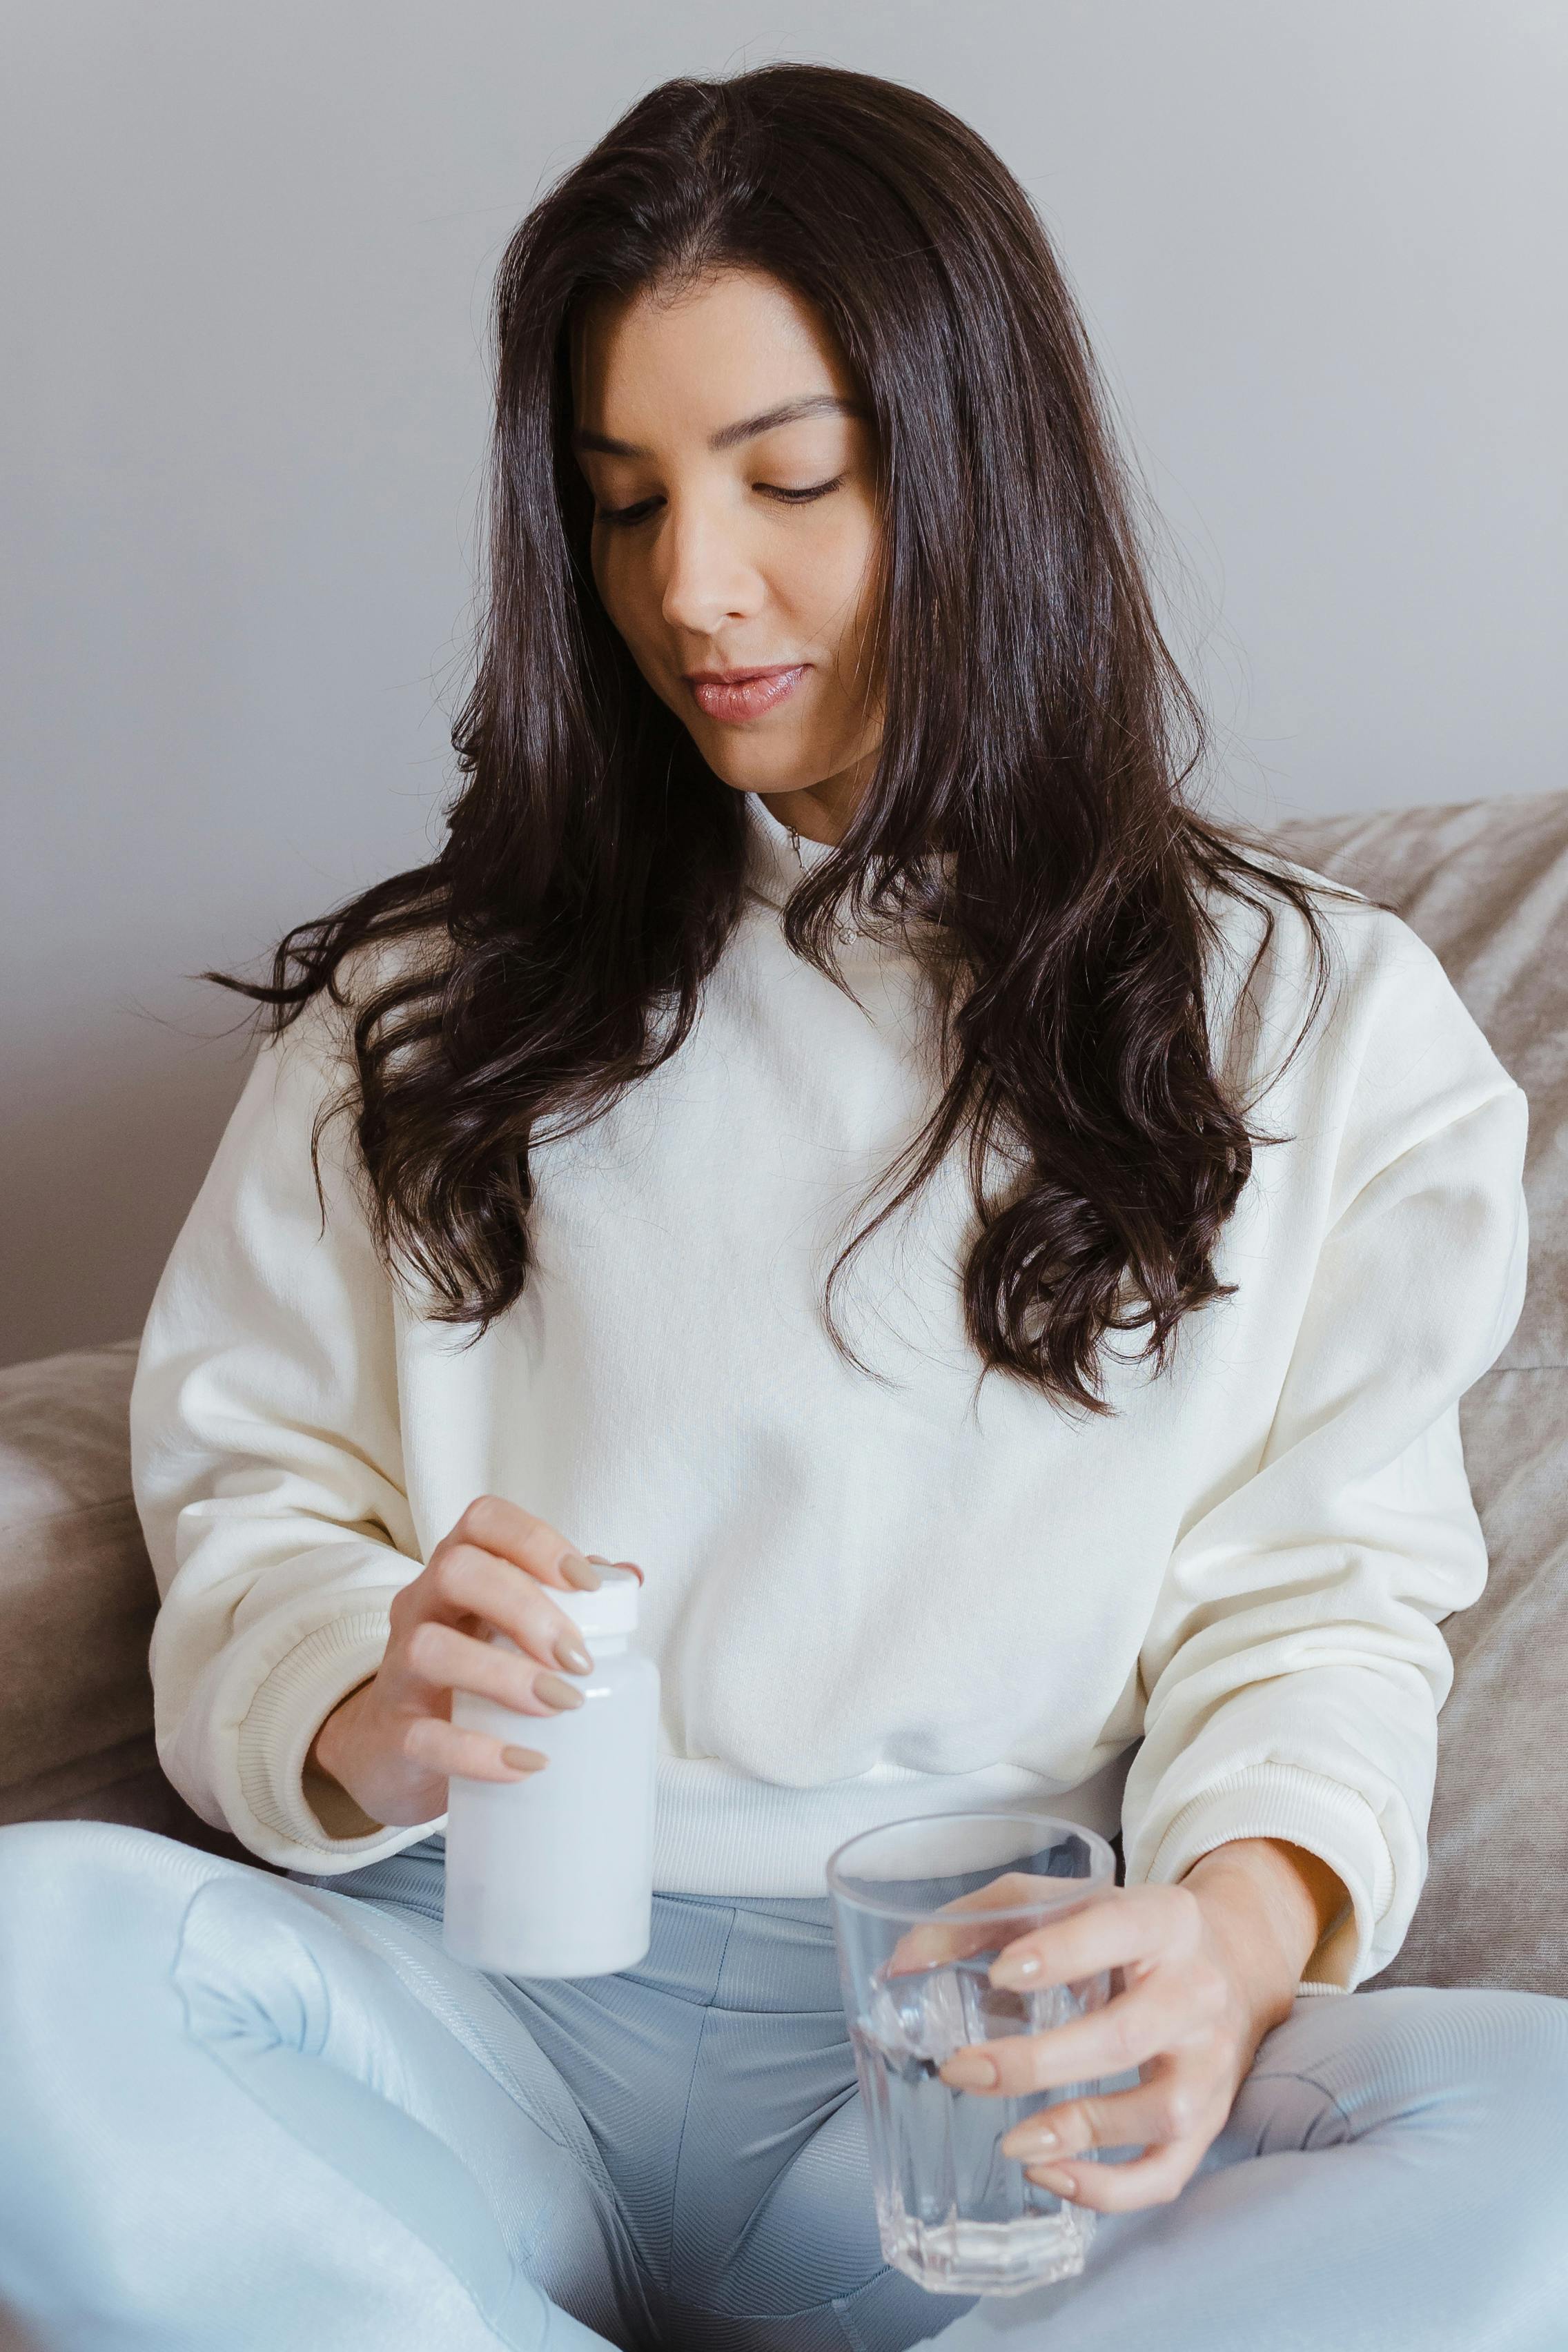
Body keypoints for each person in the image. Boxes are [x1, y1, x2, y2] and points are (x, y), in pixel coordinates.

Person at [1, 59, 1564, 2352]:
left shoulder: (1319, 1023)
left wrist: (1232, 1944)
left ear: (977, 462)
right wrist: (362, 1697)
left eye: (790, 481)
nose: (690, 592)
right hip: (478, 2006)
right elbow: (252, 1497)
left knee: (1532, 2149)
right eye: (622, 504)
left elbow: (1325, 1599)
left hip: (972, 2051)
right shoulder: (424, 1011)